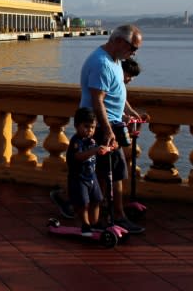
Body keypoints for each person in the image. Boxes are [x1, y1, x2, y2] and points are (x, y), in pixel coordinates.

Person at [51, 55, 142, 220]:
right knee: (105, 172)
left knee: (100, 172)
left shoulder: (115, 75)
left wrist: (130, 114)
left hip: (110, 127)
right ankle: (111, 213)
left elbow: (120, 100)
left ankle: (95, 206)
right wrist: (111, 126)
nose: (129, 80)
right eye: (129, 76)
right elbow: (102, 102)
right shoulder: (105, 68)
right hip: (106, 127)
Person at [80, 24, 145, 234]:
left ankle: (105, 212)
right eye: (132, 47)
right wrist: (107, 131)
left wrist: (128, 112)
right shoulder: (102, 64)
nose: (134, 53)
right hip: (102, 126)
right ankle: (117, 216)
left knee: (107, 172)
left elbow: (117, 91)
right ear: (118, 41)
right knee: (113, 173)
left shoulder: (116, 61)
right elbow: (97, 100)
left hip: (111, 123)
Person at [66, 107, 110, 236]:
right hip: (79, 177)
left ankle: (94, 222)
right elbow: (78, 156)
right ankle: (85, 224)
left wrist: (108, 148)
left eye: (92, 127)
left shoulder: (91, 140)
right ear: (76, 126)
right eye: (86, 127)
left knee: (97, 200)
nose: (90, 130)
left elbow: (98, 150)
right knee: (83, 203)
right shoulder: (76, 141)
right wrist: (95, 150)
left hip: (91, 176)